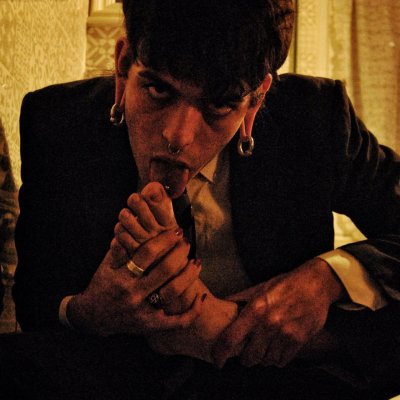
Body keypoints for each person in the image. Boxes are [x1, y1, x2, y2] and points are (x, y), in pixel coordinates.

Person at [1, 0, 400, 399]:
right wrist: (90, 311)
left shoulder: (315, 117)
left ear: (256, 100)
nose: (178, 136)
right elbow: (36, 301)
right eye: (159, 89)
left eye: (219, 104)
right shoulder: (57, 120)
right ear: (123, 67)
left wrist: (326, 279)